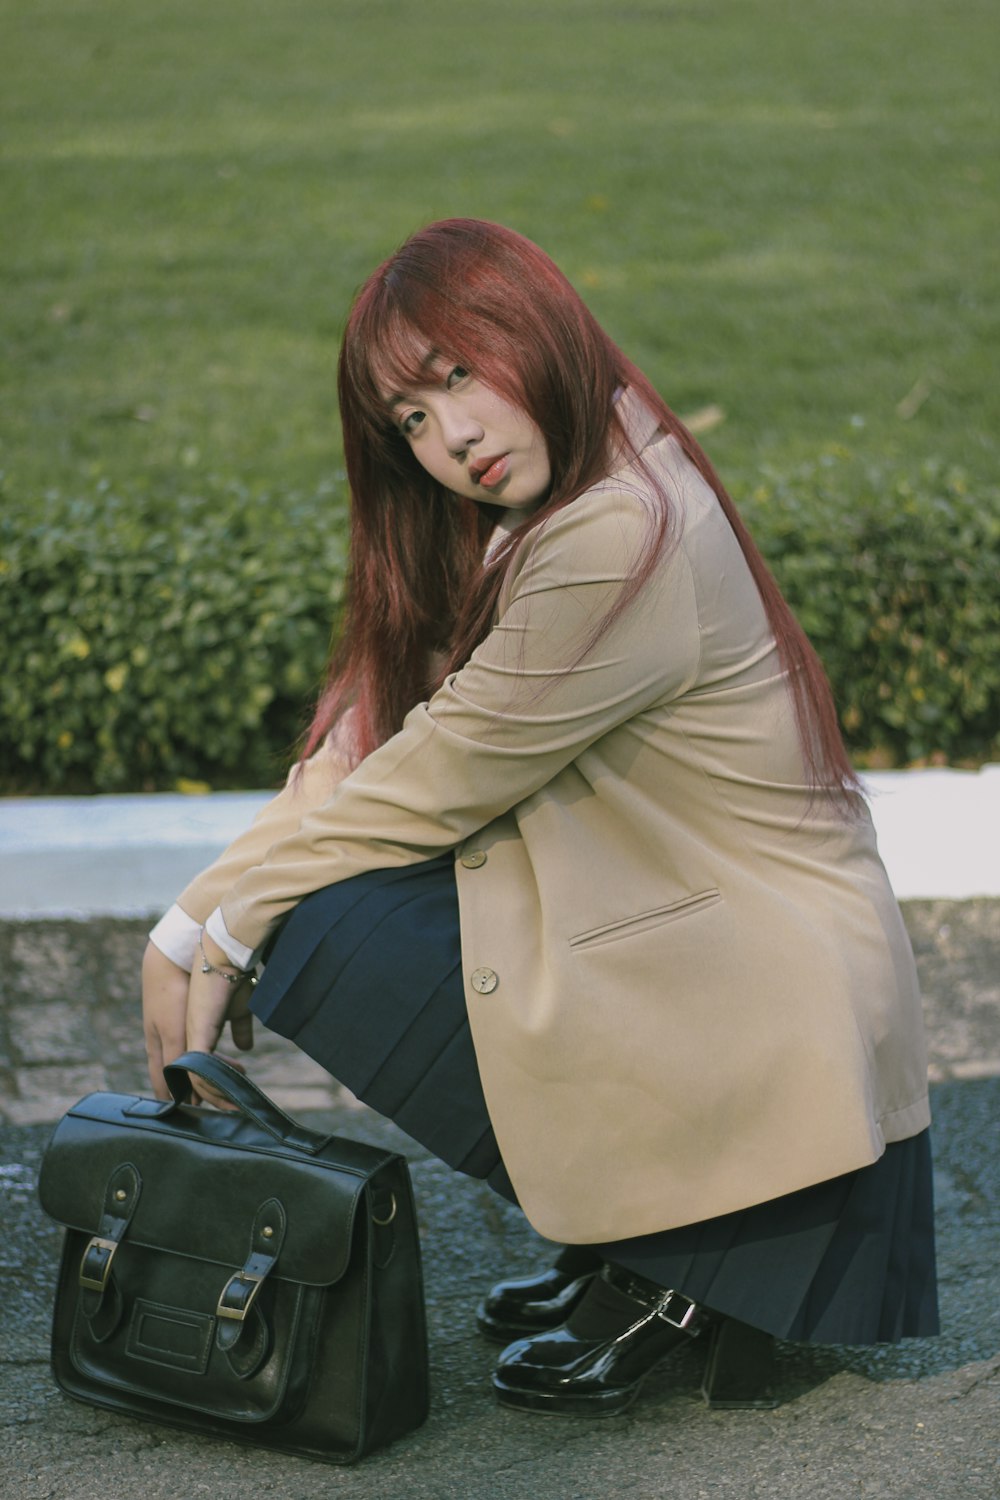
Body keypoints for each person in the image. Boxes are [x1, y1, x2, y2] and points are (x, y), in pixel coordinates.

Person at [143, 218, 938, 1417]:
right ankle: (638, 1237)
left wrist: (211, 920)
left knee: (323, 928)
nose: (449, 439)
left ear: (534, 333)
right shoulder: (584, 465)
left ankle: (693, 1265)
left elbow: (435, 776)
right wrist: (207, 911)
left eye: (460, 376)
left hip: (767, 1001)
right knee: (325, 896)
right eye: (410, 418)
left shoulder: (617, 534)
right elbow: (375, 749)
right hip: (708, 941)